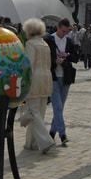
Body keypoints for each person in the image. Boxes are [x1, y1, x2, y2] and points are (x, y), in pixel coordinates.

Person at [20, 18, 55, 153]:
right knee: (39, 112)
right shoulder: (45, 44)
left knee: (33, 112)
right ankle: (31, 143)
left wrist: (23, 81)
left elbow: (28, 66)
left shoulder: (30, 44)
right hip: (46, 79)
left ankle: (45, 141)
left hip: (35, 79)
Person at [45, 18, 78, 145]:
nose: (64, 34)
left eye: (66, 32)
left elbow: (76, 57)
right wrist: (55, 61)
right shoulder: (49, 39)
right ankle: (63, 134)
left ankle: (52, 132)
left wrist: (67, 56)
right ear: (58, 27)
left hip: (66, 77)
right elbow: (45, 57)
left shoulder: (68, 41)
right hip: (53, 76)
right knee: (57, 107)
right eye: (63, 31)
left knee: (60, 107)